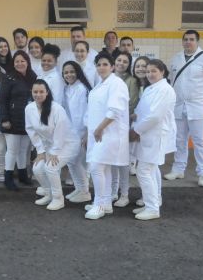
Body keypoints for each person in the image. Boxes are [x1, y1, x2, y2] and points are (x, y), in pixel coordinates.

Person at [165, 30, 203, 187]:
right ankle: (178, 169)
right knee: (179, 140)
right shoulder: (176, 58)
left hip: (199, 107)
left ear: (197, 41)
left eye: (191, 39)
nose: (188, 42)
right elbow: (171, 80)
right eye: (185, 39)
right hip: (179, 106)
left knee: (201, 141)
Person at [84, 53, 130, 220]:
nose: (101, 67)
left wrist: (99, 129)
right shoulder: (100, 84)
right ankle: (106, 203)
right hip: (99, 134)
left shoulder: (116, 83)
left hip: (109, 134)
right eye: (98, 64)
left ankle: (99, 205)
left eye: (105, 64)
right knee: (105, 168)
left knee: (96, 168)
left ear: (112, 67)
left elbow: (114, 111)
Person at [130, 59, 177, 221]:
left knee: (144, 170)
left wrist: (136, 130)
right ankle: (153, 202)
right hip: (147, 134)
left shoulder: (164, 89)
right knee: (152, 169)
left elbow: (155, 116)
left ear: (162, 72)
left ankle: (152, 208)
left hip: (154, 134)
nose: (150, 74)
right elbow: (142, 110)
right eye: (148, 71)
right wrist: (133, 117)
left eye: (154, 71)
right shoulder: (152, 88)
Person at [26, 80, 80, 210]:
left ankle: (58, 199)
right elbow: (31, 130)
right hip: (49, 146)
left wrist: (54, 152)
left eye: (41, 92)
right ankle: (49, 194)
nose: (38, 94)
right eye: (35, 92)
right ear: (31, 92)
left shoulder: (57, 108)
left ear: (47, 92)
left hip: (68, 144)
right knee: (37, 168)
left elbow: (60, 132)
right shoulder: (29, 108)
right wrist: (41, 151)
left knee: (51, 167)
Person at [0, 51, 36, 190]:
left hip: (27, 120)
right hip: (12, 121)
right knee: (12, 150)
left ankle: (22, 175)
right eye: (16, 61)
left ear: (27, 62)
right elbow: (2, 100)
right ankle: (8, 178)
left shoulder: (33, 76)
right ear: (13, 64)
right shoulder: (9, 78)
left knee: (23, 149)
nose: (20, 64)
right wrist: (4, 119)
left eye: (22, 61)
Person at [108, 52, 140, 208]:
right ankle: (113, 191)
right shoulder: (108, 78)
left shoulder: (131, 81)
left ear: (129, 64)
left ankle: (124, 194)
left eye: (125, 61)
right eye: (119, 60)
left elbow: (131, 105)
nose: (121, 63)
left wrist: (115, 118)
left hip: (122, 126)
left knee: (123, 163)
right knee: (112, 162)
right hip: (109, 126)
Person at [61, 60, 93, 203]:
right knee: (71, 162)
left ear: (78, 72)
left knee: (76, 161)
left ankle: (85, 191)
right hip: (70, 132)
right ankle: (79, 188)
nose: (69, 75)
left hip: (81, 131)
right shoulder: (67, 89)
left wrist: (86, 132)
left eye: (72, 71)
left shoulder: (82, 89)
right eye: (66, 72)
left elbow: (87, 112)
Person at [129, 56, 151, 178]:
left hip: (146, 121)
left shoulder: (151, 86)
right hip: (134, 119)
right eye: (137, 66)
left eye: (143, 66)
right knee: (133, 142)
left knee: (141, 144)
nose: (140, 69)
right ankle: (132, 164)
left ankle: (138, 164)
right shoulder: (134, 83)